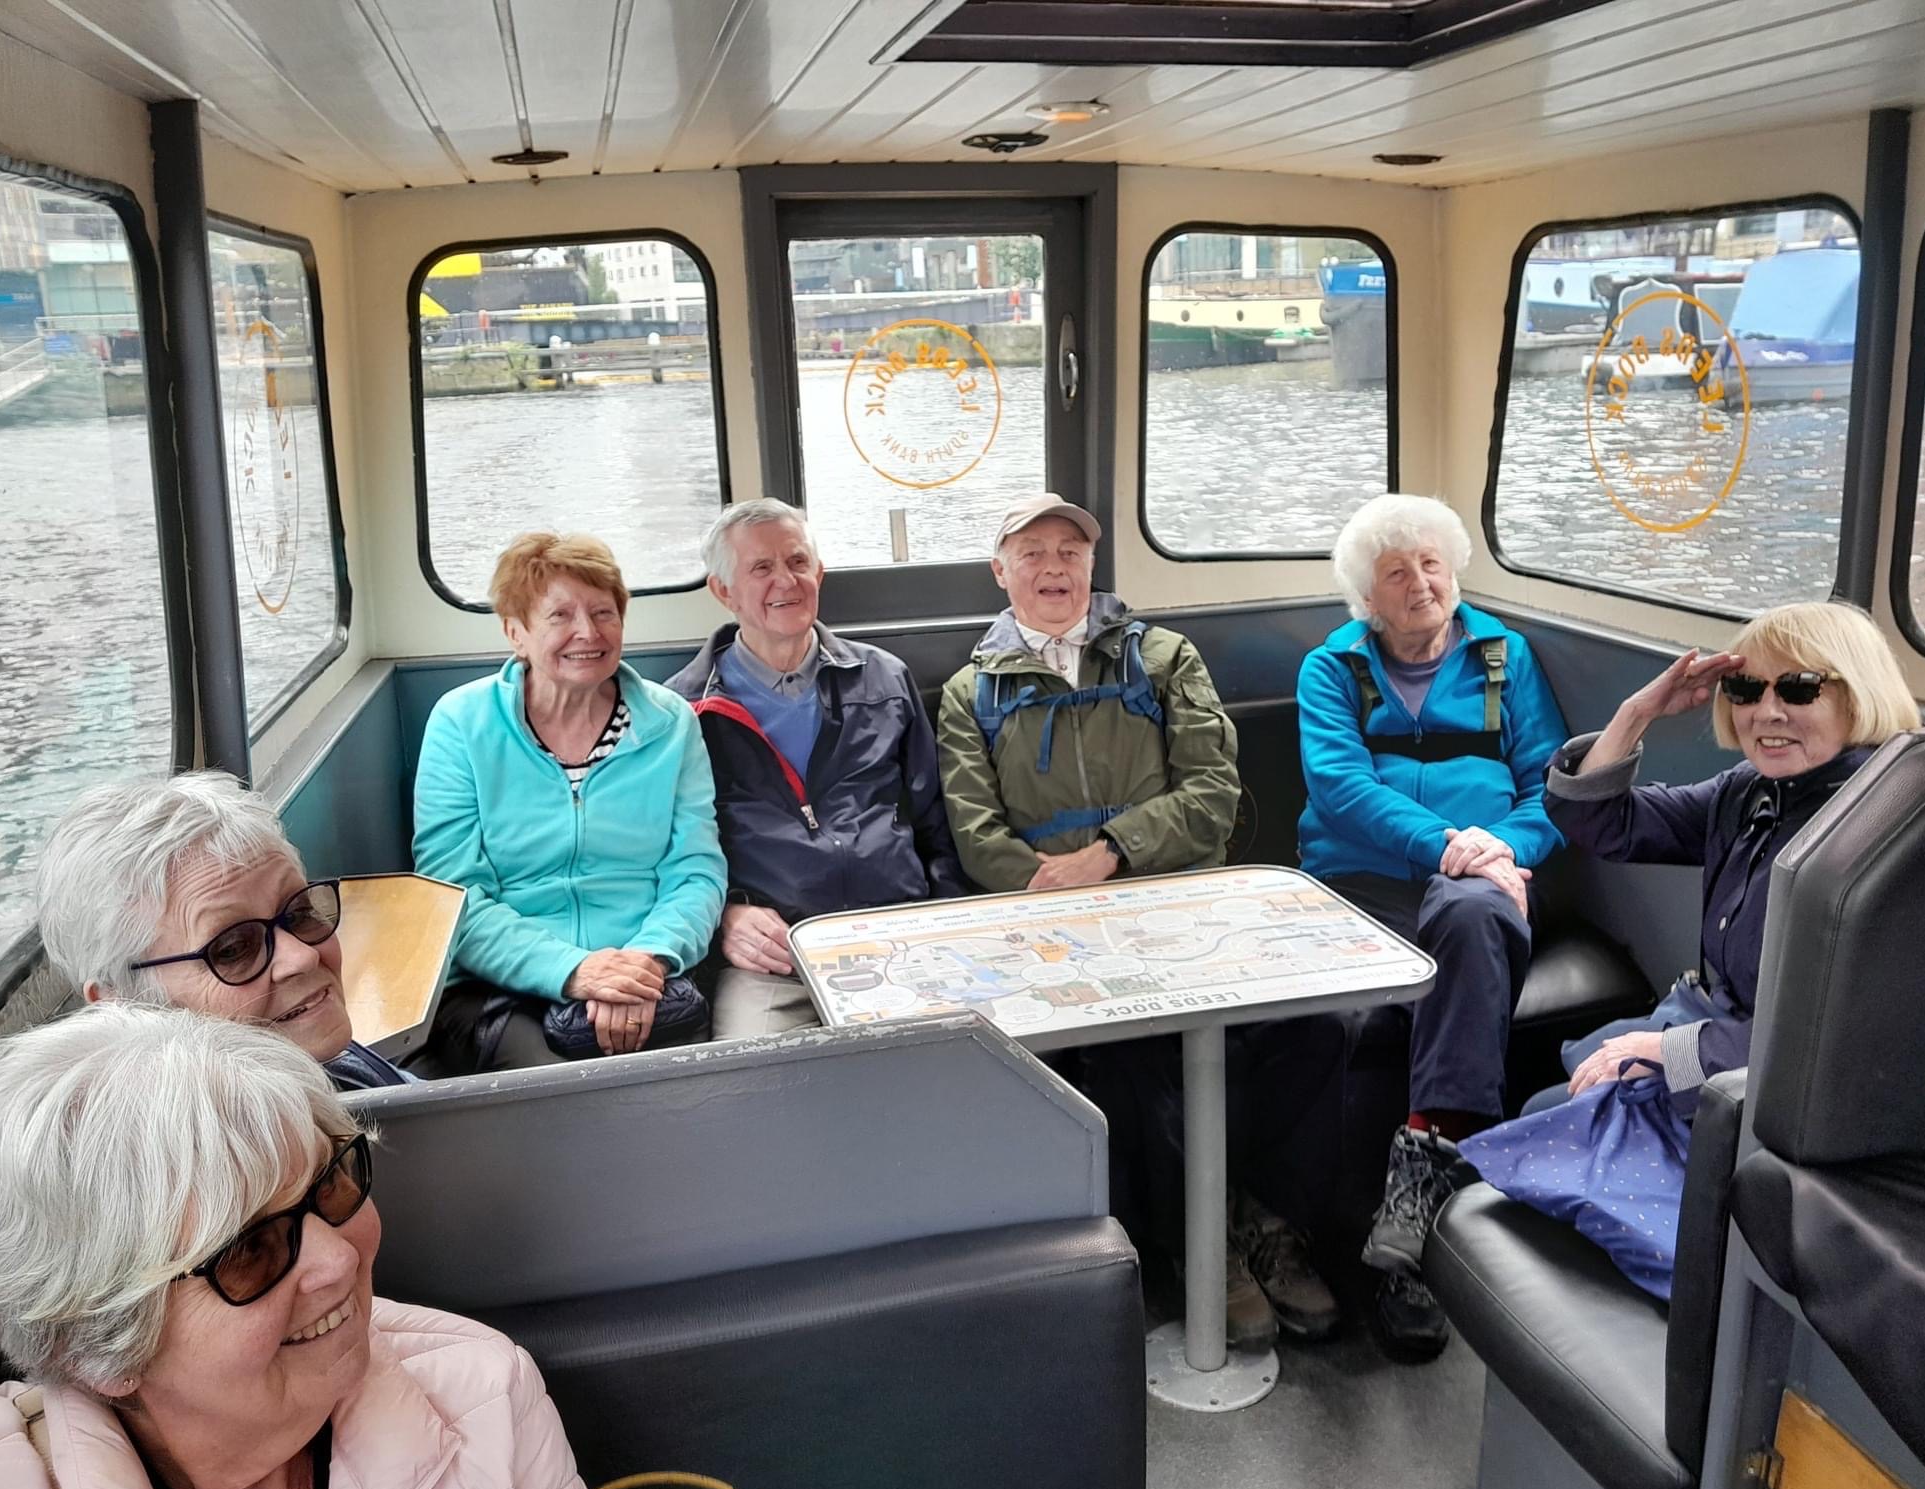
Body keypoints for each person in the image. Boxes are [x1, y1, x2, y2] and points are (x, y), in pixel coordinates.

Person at [0, 1004, 600, 1489]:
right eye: (251, 1250)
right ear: (96, 1349)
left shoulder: (483, 1393)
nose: (339, 1259)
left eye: (331, 1184)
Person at [939, 493, 1339, 1352]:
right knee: (1148, 1055)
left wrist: (1112, 854)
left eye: (1071, 551)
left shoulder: (1163, 659)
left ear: (1093, 564)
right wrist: (1057, 888)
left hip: (1176, 903)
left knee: (1321, 1028)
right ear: (1000, 572)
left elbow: (1213, 795)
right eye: (1033, 553)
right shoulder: (971, 693)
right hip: (1050, 924)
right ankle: (1207, 1246)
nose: (1054, 568)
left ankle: (1263, 1217)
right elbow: (976, 835)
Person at [1296, 493, 1567, 1356]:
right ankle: (1410, 1214)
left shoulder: (1506, 658)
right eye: (1395, 572)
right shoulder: (1330, 669)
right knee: (1460, 917)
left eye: (1431, 564)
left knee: (1474, 915)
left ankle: (1421, 1188)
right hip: (1361, 879)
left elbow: (1551, 788)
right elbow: (1340, 788)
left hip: (1480, 878)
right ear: (1365, 597)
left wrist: (1501, 849)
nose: (1419, 583)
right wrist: (1449, 845)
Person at [1523, 600, 1920, 1116]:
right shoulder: (1751, 792)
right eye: (1746, 688)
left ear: (1859, 695)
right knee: (1544, 1102)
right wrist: (1637, 714)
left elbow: (1841, 1034)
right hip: (1714, 1033)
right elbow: (1599, 821)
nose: (1767, 711)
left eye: (1799, 688)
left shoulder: (1879, 828)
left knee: (1543, 1114)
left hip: (1776, 1089)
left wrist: (1672, 1052)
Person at [414, 532, 727, 1072]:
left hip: (650, 971)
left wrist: (647, 961)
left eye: (603, 612)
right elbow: (454, 896)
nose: (588, 632)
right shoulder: (461, 723)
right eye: (560, 615)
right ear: (515, 632)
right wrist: (574, 971)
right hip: (503, 986)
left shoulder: (670, 722)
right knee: (560, 1085)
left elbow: (696, 870)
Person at [667, 498, 965, 1036]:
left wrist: (945, 919)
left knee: (961, 1053)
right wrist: (724, 917)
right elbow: (668, 856)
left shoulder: (883, 679)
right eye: (761, 568)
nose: (786, 581)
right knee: (753, 1067)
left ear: (819, 573)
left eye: (798, 562)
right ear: (723, 591)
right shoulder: (682, 711)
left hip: (899, 932)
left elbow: (935, 821)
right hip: (775, 957)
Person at [35, 771, 409, 1092]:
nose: (303, 956)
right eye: (232, 949)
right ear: (125, 1008)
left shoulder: (336, 1068)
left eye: (300, 913)